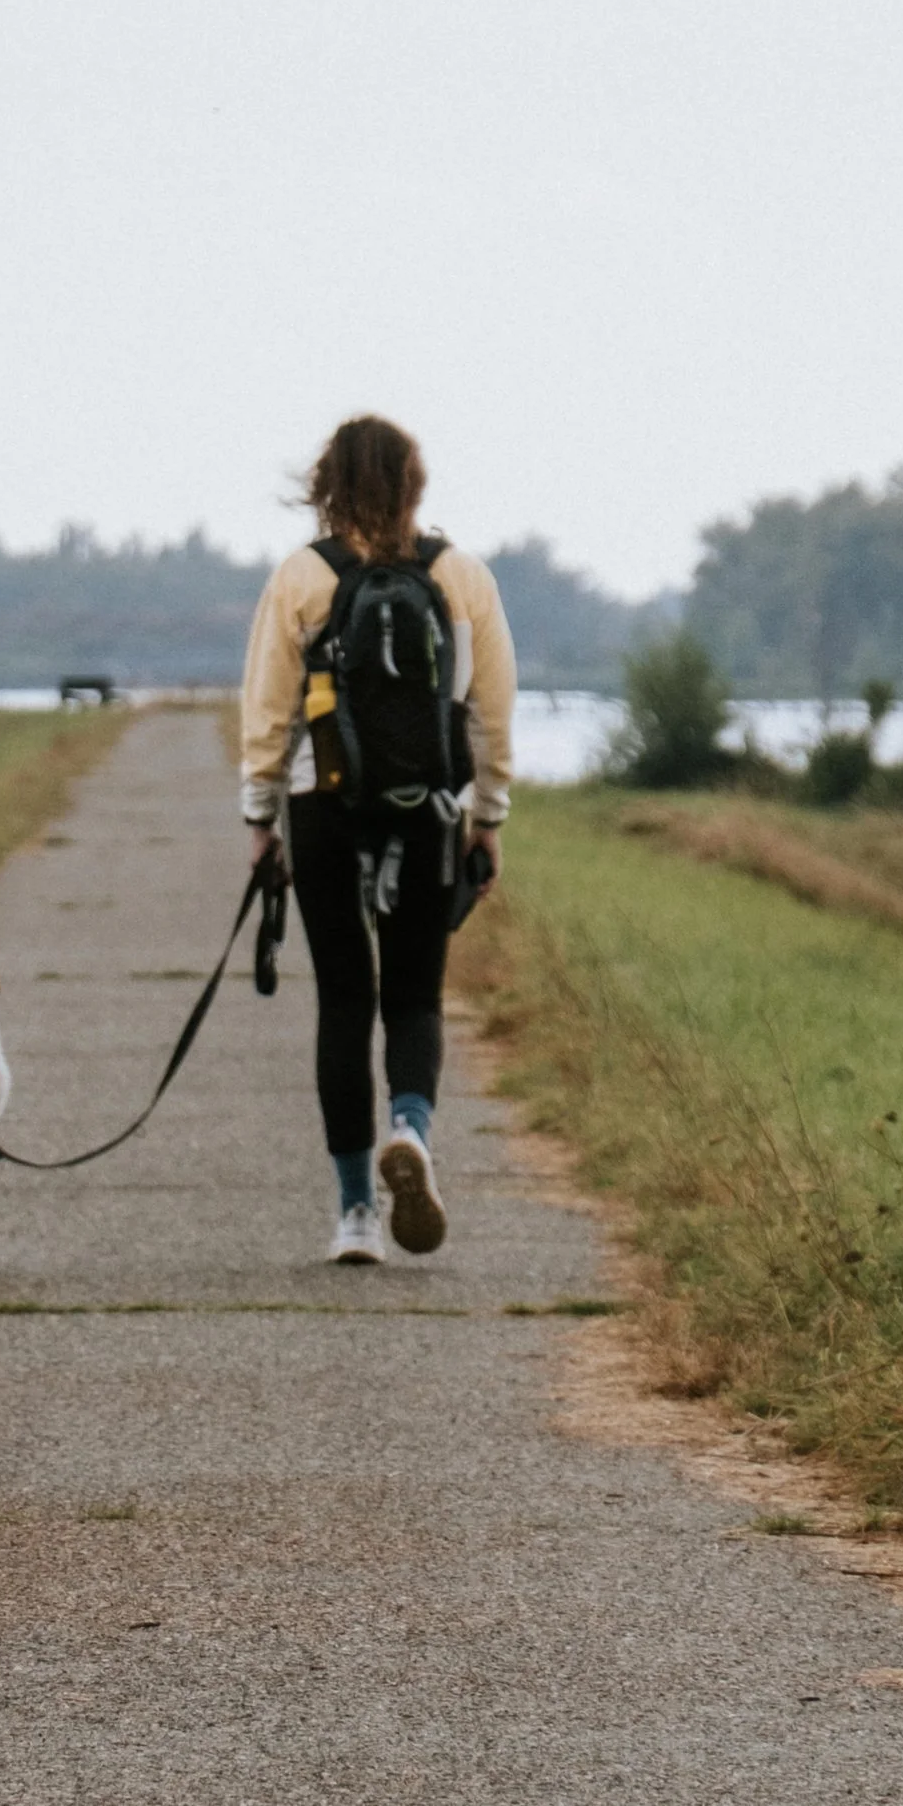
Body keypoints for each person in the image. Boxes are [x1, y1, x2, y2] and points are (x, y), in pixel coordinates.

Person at [238, 414, 516, 1263]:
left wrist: (260, 818)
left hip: (323, 807)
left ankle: (357, 1213)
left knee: (345, 1002)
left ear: (326, 485)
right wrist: (489, 813)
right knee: (416, 996)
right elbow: (491, 710)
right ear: (413, 485)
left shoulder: (302, 578)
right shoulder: (460, 575)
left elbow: (269, 714)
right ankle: (413, 1131)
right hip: (427, 809)